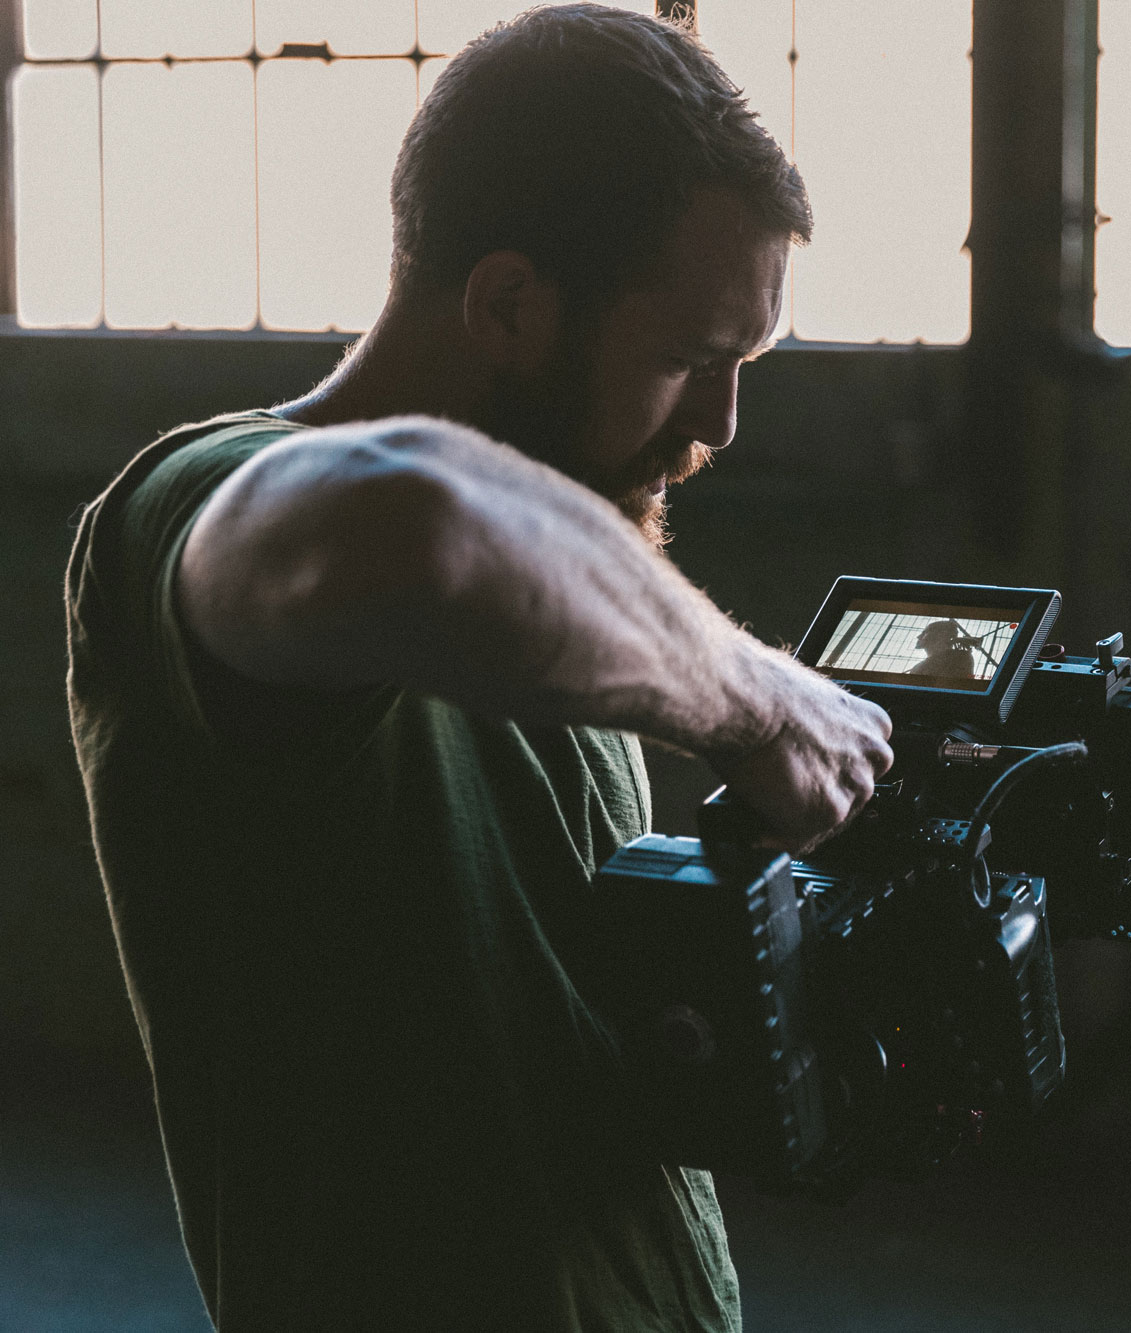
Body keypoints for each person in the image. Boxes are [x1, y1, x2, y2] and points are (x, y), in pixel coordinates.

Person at [65, 7, 893, 1330]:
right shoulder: (188, 507)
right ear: (509, 302)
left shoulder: (565, 555)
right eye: (686, 358)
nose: (719, 425)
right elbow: (423, 528)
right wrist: (757, 700)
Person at [908, 619, 979, 678]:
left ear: (942, 634)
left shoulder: (960, 657)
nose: (919, 636)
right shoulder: (962, 656)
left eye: (925, 632)